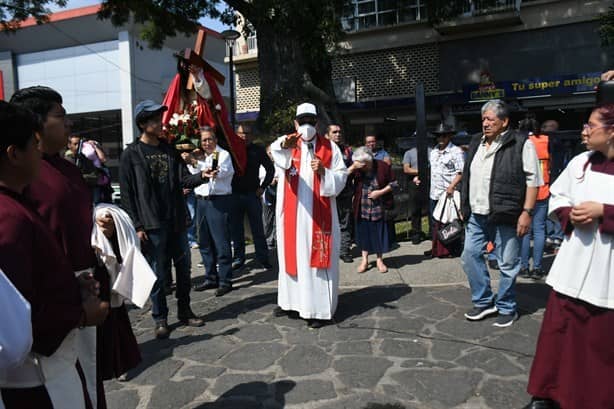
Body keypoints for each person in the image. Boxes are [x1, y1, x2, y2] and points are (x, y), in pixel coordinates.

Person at [10, 86, 134, 409]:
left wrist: (101, 224)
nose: (69, 125)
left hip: (81, 285)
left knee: (87, 378)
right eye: (60, 116)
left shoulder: (68, 169)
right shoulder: (19, 177)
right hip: (48, 305)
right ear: (33, 124)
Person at [523, 103, 614, 409]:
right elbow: (559, 195)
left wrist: (604, 212)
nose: (585, 131)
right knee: (559, 333)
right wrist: (567, 214)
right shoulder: (581, 162)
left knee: (598, 342)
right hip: (574, 262)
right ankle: (547, 394)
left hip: (607, 269)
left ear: (612, 131)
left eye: (591, 125)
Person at [119, 99, 204, 340]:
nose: (160, 123)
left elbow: (184, 180)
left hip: (176, 219)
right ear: (143, 124)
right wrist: (136, 225)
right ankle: (160, 318)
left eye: (160, 118)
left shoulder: (170, 150)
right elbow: (127, 195)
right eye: (155, 119)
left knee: (184, 268)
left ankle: (185, 311)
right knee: (157, 273)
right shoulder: (130, 154)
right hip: (151, 223)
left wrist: (203, 176)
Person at [460, 99, 542, 328]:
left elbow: (533, 181)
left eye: (490, 119)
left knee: (507, 263)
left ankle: (506, 306)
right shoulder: (476, 141)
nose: (485, 123)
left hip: (507, 213)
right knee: (469, 256)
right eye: (483, 119)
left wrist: (527, 212)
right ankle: (484, 301)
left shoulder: (520, 143)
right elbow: (468, 175)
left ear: (505, 122)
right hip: (476, 213)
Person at [270, 102, 348, 329]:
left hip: (318, 215)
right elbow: (277, 153)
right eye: (302, 121)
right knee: (291, 257)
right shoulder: (288, 142)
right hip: (293, 216)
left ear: (317, 123)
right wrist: (284, 145)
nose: (306, 125)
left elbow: (341, 177)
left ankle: (318, 310)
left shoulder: (330, 148)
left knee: (316, 263)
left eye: (310, 121)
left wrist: (324, 171)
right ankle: (291, 303)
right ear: (295, 122)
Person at [190, 127, 235, 296]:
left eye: (209, 139)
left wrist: (200, 162)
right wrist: (195, 163)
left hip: (218, 201)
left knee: (221, 242)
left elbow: (218, 172)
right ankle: (210, 277)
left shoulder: (222, 155)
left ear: (215, 140)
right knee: (204, 241)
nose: (207, 143)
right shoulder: (202, 157)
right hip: (201, 201)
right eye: (204, 140)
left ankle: (225, 280)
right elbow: (195, 175)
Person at [230, 123, 274, 270]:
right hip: (234, 194)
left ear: (253, 136)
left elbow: (270, 169)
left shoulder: (258, 150)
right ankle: (238, 258)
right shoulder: (231, 149)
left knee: (257, 229)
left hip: (252, 194)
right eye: (241, 133)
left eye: (247, 133)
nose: (244, 136)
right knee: (236, 229)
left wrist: (263, 187)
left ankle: (263, 258)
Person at [350, 146, 395, 273]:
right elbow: (343, 178)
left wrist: (380, 192)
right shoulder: (358, 169)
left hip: (378, 206)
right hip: (362, 206)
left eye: (364, 164)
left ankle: (380, 259)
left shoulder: (382, 166)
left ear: (369, 161)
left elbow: (394, 183)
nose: (362, 167)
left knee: (378, 234)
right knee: (364, 234)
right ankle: (364, 260)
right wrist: (353, 167)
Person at [518, 117, 550, 280]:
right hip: (543, 189)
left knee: (525, 231)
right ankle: (537, 268)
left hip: (525, 192)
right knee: (539, 229)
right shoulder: (545, 140)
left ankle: (523, 266)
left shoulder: (521, 142)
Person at [429, 123, 464, 258]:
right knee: (435, 222)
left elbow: (460, 172)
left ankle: (451, 249)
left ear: (449, 136)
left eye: (444, 135)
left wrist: (452, 186)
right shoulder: (433, 152)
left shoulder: (456, 151)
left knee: (450, 223)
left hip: (448, 193)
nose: (441, 138)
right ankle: (437, 248)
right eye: (439, 136)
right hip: (435, 192)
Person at [326, 123, 354, 262]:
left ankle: (344, 250)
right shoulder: (323, 150)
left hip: (345, 193)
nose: (338, 134)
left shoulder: (347, 151)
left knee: (345, 223)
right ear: (327, 135)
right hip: (328, 193)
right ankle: (328, 250)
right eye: (334, 132)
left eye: (339, 132)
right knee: (327, 224)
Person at [65, 135, 112, 204]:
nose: (78, 146)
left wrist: (94, 146)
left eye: (79, 143)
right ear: (69, 145)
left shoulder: (87, 156)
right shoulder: (68, 158)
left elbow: (102, 160)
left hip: (93, 188)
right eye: (75, 144)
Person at [402, 140, 432, 244]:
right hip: (414, 183)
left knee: (430, 208)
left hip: (428, 182)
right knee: (415, 209)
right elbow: (406, 169)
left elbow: (434, 167)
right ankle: (416, 233)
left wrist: (423, 173)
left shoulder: (431, 151)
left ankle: (432, 232)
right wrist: (421, 172)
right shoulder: (409, 153)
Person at [261, 145, 278, 250]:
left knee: (277, 218)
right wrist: (270, 181)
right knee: (267, 218)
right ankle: (267, 240)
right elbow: (261, 177)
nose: (272, 156)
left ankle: (275, 239)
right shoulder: (263, 166)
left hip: (278, 193)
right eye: (270, 153)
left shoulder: (279, 164)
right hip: (267, 194)